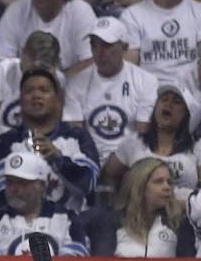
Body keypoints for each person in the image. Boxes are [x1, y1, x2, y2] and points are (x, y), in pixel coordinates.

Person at [0, 66, 100, 212]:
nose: (36, 95)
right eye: (29, 91)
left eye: (44, 90)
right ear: (20, 100)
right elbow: (1, 192)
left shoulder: (78, 137)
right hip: (20, 225)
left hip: (72, 225)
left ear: (57, 99)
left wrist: (60, 160)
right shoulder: (5, 142)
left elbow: (89, 182)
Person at [64, 17, 156, 164]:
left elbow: (142, 135)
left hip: (128, 160)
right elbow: (75, 134)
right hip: (89, 156)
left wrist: (116, 162)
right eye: (94, 45)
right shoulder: (76, 83)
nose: (99, 52)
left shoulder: (146, 81)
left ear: (124, 48)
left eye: (106, 46)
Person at [76, 156, 198, 257]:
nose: (167, 187)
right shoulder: (110, 222)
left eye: (169, 182)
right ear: (139, 186)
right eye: (159, 182)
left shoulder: (179, 225)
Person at [0, 151, 89, 256]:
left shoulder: (68, 219)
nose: (14, 189)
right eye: (9, 182)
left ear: (42, 186)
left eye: (22, 183)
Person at [120, 0, 201, 88]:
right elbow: (129, 69)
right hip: (151, 98)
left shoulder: (198, 11)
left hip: (194, 97)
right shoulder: (132, 16)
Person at [103, 84, 201, 200]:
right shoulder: (134, 142)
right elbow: (107, 175)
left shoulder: (197, 147)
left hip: (182, 213)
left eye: (176, 102)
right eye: (163, 99)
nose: (168, 104)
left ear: (187, 114)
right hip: (137, 213)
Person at [0, 30, 68, 151]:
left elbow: (56, 125)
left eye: (43, 67)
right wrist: (1, 156)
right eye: (33, 65)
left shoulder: (57, 79)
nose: (36, 71)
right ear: (22, 53)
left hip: (40, 148)